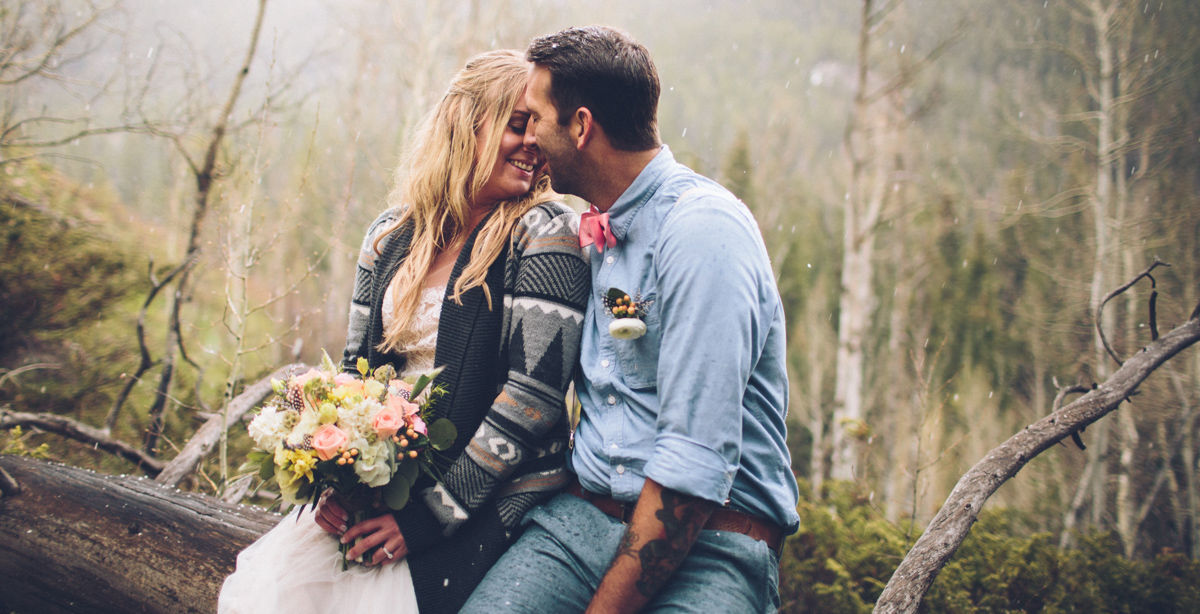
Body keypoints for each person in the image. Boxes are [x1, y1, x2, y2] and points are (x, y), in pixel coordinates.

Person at [218, 49, 590, 614]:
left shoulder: (545, 235)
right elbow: (354, 374)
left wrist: (424, 519)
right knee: (275, 592)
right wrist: (337, 481)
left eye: (539, 128)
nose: (533, 144)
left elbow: (532, 401)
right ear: (467, 124)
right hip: (388, 495)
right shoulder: (389, 236)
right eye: (518, 125)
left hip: (491, 501)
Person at [460, 26, 801, 614]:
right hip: (579, 526)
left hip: (715, 542)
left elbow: (695, 464)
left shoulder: (702, 232)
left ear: (582, 126)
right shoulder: (592, 229)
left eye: (536, 118)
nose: (531, 137)